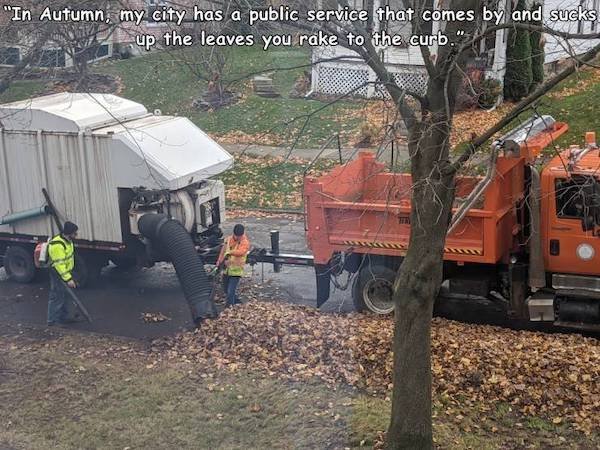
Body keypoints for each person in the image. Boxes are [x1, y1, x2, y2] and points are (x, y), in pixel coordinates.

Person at [47, 221, 79, 326]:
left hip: (65, 272)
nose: (76, 235)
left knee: (64, 296)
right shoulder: (57, 245)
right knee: (57, 296)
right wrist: (68, 279)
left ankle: (62, 317)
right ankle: (52, 321)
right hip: (58, 274)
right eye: (74, 233)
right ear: (69, 233)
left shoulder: (67, 241)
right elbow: (59, 265)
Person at [216, 224, 250, 307]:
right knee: (226, 289)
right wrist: (219, 261)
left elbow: (241, 252)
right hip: (226, 270)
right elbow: (223, 251)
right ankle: (237, 301)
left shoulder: (245, 242)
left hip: (236, 272)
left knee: (230, 291)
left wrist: (230, 252)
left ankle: (229, 308)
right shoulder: (228, 240)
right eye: (237, 236)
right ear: (234, 233)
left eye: (240, 236)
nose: (239, 238)